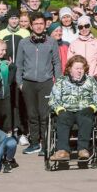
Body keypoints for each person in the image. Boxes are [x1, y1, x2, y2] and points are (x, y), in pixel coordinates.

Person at [17, 15, 62, 156]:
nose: (38, 26)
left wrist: (58, 82)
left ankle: (45, 144)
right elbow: (19, 64)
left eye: (41, 23)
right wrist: (20, 83)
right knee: (32, 115)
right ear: (31, 25)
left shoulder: (52, 42)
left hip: (46, 83)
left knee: (44, 115)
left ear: (45, 25)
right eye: (35, 23)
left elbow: (57, 63)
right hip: (28, 83)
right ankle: (35, 143)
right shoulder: (23, 43)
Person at [48, 54, 97, 162]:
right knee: (62, 117)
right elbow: (53, 99)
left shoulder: (90, 81)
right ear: (69, 69)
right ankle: (63, 151)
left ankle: (83, 149)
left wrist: (92, 107)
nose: (80, 71)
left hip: (84, 110)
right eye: (77, 68)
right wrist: (59, 109)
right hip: (66, 110)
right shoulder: (61, 81)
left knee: (86, 118)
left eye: (82, 68)